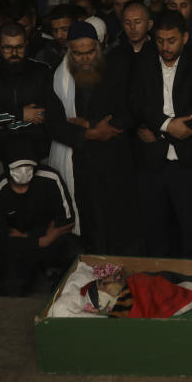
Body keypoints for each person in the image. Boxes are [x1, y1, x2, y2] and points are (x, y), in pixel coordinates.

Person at [48, 22, 141, 255]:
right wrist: (90, 133)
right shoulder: (60, 77)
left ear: (99, 47)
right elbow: (54, 123)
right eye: (77, 53)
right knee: (91, 223)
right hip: (81, 162)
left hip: (114, 161)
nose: (85, 58)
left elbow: (132, 110)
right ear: (69, 50)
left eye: (90, 51)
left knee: (119, 224)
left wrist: (90, 124)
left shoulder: (117, 69)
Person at [129, 10, 192, 257]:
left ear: (185, 38)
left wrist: (158, 129)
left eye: (171, 40)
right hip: (150, 162)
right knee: (155, 230)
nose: (165, 46)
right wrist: (167, 125)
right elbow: (135, 104)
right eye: (160, 40)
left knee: (191, 230)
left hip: (188, 162)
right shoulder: (143, 62)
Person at [0, 145, 81, 296]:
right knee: (10, 288)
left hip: (47, 241)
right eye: (17, 167)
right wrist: (39, 240)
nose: (23, 171)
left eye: (27, 166)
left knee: (75, 250)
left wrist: (30, 237)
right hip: (22, 248)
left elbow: (67, 220)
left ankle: (57, 277)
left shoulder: (50, 178)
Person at [0, 22, 62, 180]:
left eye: (19, 47)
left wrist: (3, 118)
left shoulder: (42, 71)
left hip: (39, 151)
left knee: (44, 198)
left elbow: (50, 111)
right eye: (8, 47)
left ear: (26, 44)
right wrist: (20, 114)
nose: (14, 52)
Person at [35, 3, 74, 69]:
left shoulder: (89, 53)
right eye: (55, 30)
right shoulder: (44, 56)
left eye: (65, 29)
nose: (59, 35)